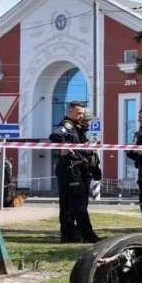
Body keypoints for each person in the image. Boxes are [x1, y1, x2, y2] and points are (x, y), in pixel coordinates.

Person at [50, 101, 101, 243]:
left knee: (67, 204)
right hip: (69, 168)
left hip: (75, 167)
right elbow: (55, 136)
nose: (81, 116)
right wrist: (64, 147)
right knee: (79, 204)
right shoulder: (66, 125)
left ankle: (69, 234)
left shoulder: (78, 128)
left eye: (82, 114)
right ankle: (88, 235)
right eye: (79, 113)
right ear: (70, 111)